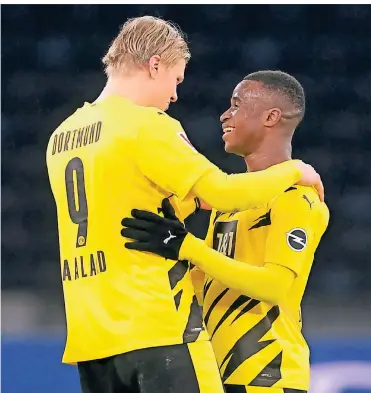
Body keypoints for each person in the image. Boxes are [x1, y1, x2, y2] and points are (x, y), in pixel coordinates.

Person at [46, 13, 323, 393]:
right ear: (155, 64)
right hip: (157, 324)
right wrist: (296, 170)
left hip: (91, 336)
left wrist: (187, 235)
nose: (175, 95)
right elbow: (222, 191)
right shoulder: (148, 125)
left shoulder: (61, 136)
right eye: (176, 79)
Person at [122, 70, 329, 393]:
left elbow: (274, 286)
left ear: (271, 117)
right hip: (218, 373)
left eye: (236, 105)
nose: (224, 115)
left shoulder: (296, 199)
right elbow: (206, 280)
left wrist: (188, 247)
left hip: (268, 375)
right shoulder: (229, 199)